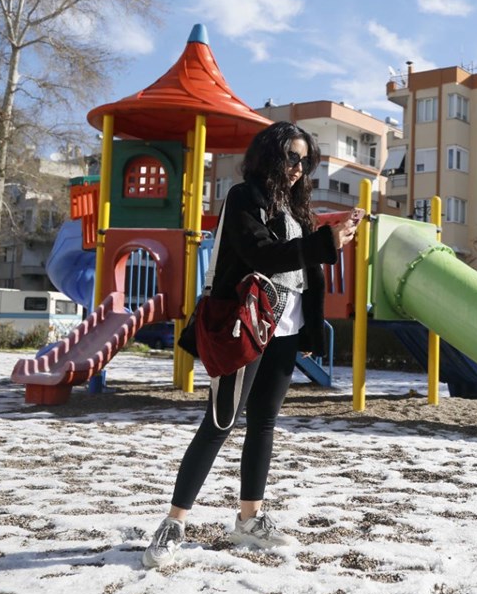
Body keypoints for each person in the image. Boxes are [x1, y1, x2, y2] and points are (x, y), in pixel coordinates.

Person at [143, 121, 363, 568]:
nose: (299, 168)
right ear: (270, 155)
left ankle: (250, 518)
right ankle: (173, 523)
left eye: (305, 161)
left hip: (285, 324)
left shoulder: (299, 208)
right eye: (291, 157)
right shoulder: (245, 197)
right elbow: (260, 253)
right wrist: (325, 241)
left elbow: (307, 273)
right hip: (246, 323)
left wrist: (312, 325)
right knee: (219, 423)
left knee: (264, 424)